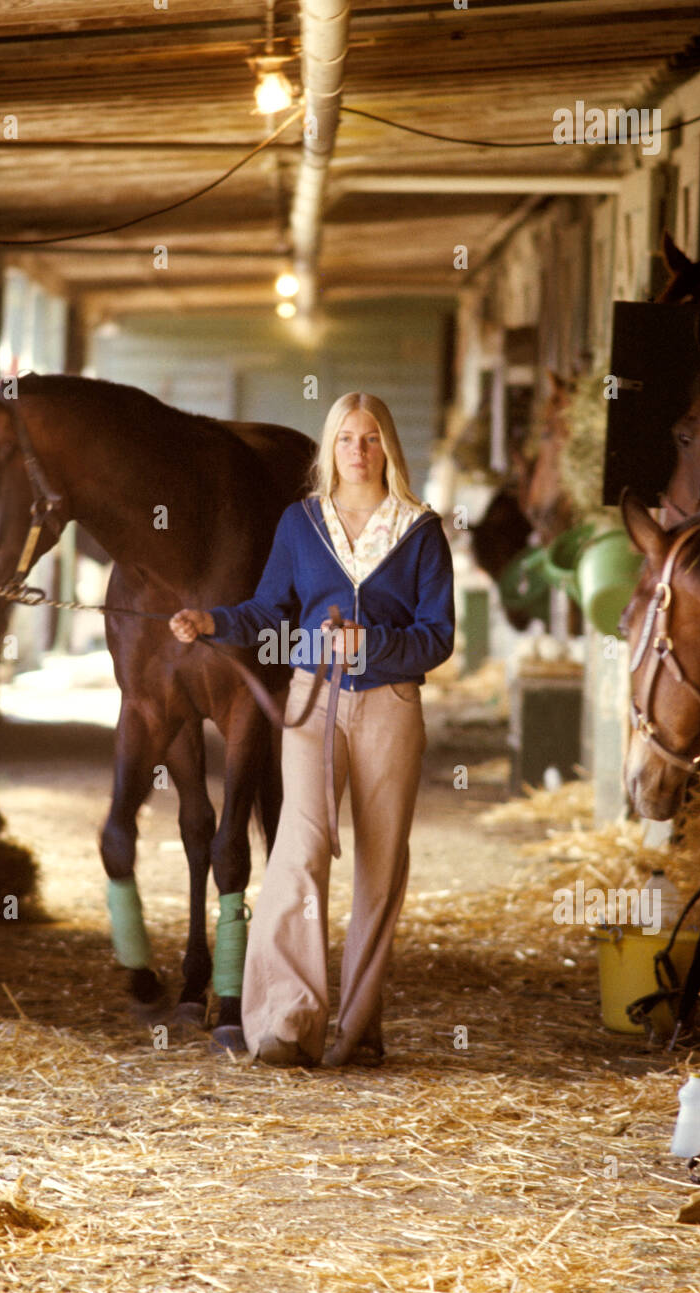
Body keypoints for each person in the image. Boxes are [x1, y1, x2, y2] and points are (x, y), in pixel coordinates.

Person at [169, 392, 455, 1067]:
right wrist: (212, 622)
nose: (358, 451)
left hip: (391, 704)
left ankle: (359, 1031)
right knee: (298, 851)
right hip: (313, 700)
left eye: (371, 438)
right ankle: (286, 1024)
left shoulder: (419, 530)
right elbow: (270, 610)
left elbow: (437, 637)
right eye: (346, 439)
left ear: (389, 447)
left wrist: (371, 641)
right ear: (329, 449)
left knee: (380, 870)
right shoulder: (301, 524)